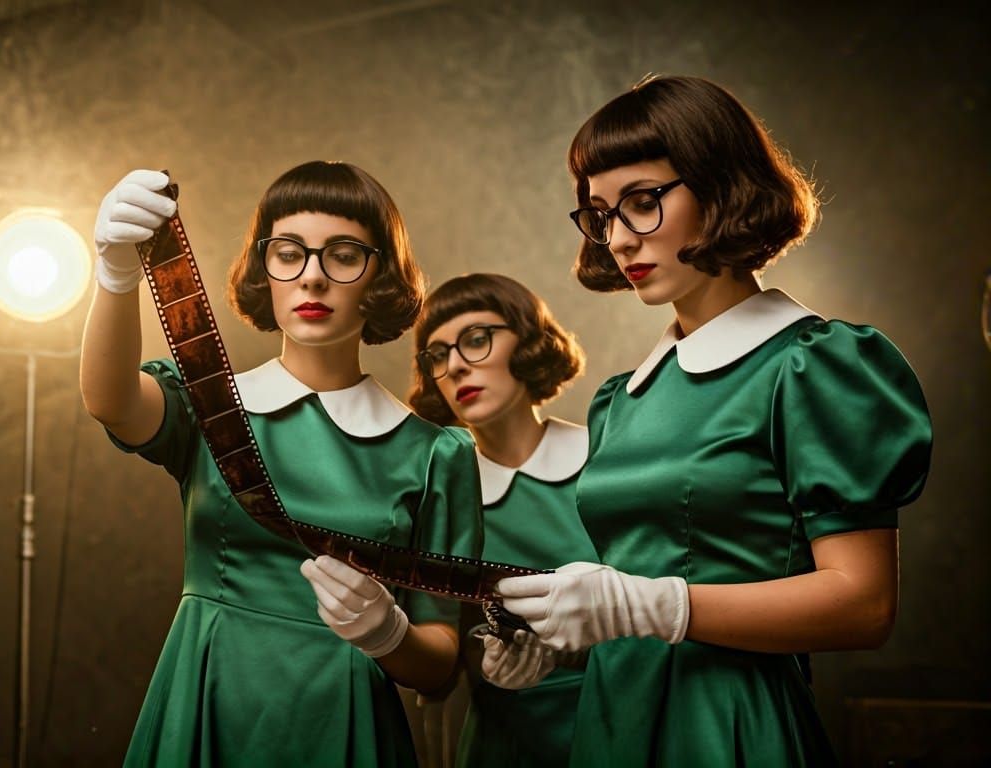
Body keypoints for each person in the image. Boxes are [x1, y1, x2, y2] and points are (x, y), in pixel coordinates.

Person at [494, 75, 934, 766]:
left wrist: (655, 608)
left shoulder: (813, 366)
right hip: (612, 721)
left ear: (721, 186)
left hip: (729, 722)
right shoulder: (621, 399)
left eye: (643, 202)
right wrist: (557, 637)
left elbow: (864, 604)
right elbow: (632, 583)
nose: (618, 239)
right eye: (601, 214)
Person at [81, 161, 481, 767]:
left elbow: (439, 664)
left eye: (343, 255)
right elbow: (109, 401)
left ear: (381, 277)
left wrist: (388, 633)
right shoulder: (210, 408)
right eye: (289, 252)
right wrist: (114, 275)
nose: (312, 278)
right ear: (263, 270)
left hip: (344, 723)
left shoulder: (435, 454)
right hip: (207, 698)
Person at [406, 273, 595, 767]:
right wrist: (482, 661)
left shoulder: (606, 461)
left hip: (626, 723)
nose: (456, 367)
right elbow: (436, 649)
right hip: (504, 743)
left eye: (475, 340)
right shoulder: (436, 495)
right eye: (438, 355)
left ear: (529, 341)